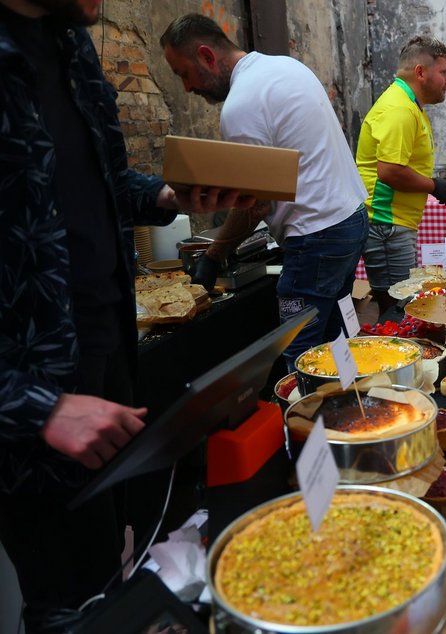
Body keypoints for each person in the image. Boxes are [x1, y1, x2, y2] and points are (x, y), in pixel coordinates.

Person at [0, 1, 247, 630]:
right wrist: (34, 406)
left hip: (110, 353)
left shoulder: (72, 45)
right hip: (32, 409)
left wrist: (165, 195)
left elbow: (102, 181)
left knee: (115, 569)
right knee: (66, 601)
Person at [161, 14, 369, 369]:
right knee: (335, 345)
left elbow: (254, 206)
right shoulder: (285, 67)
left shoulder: (241, 105)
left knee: (300, 356)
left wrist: (213, 255)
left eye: (184, 73)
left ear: (207, 56)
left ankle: (312, 405)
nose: (187, 87)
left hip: (316, 237)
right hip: (350, 219)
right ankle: (345, 402)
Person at [356, 36, 446, 314]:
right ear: (420, 72)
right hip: (386, 224)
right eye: (444, 72)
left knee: (401, 307)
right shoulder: (399, 108)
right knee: (399, 310)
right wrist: (434, 186)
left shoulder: (409, 104)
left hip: (394, 225)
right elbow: (390, 171)